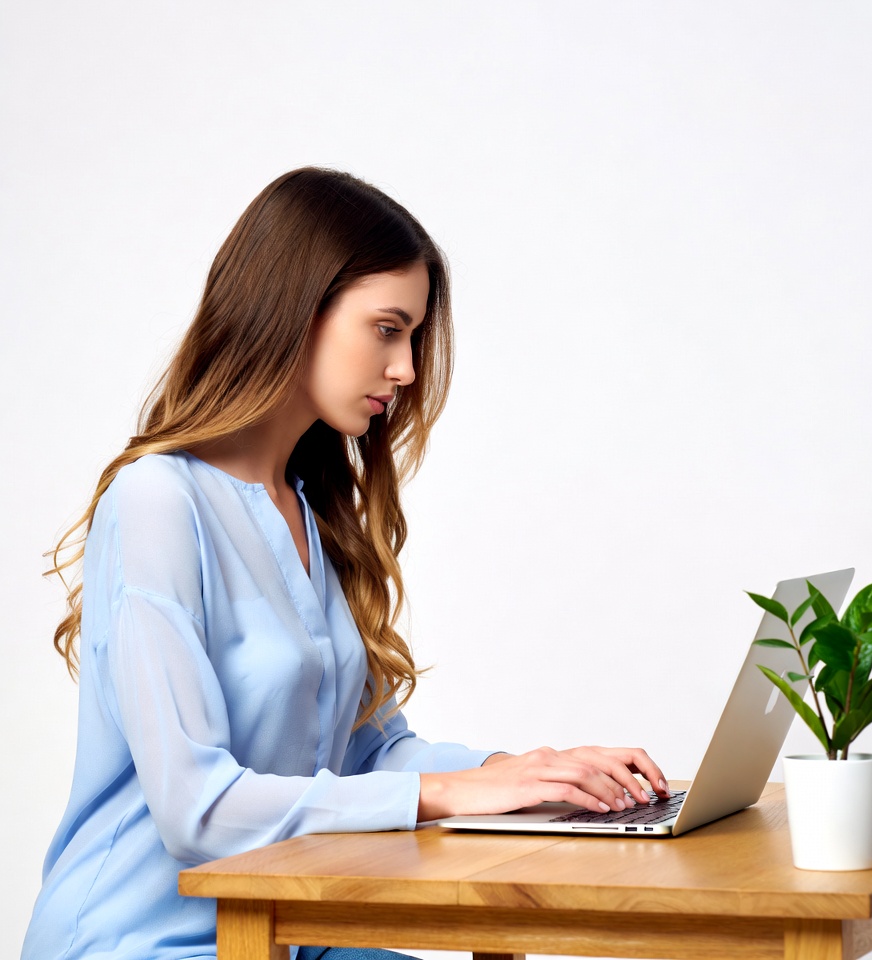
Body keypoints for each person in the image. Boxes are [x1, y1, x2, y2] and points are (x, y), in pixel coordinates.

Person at [22, 168, 669, 960]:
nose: (404, 369)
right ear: (298, 311)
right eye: (387, 329)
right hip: (141, 941)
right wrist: (448, 795)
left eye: (413, 337)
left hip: (286, 931)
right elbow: (195, 808)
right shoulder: (158, 500)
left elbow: (367, 752)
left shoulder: (308, 507)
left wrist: (533, 775)